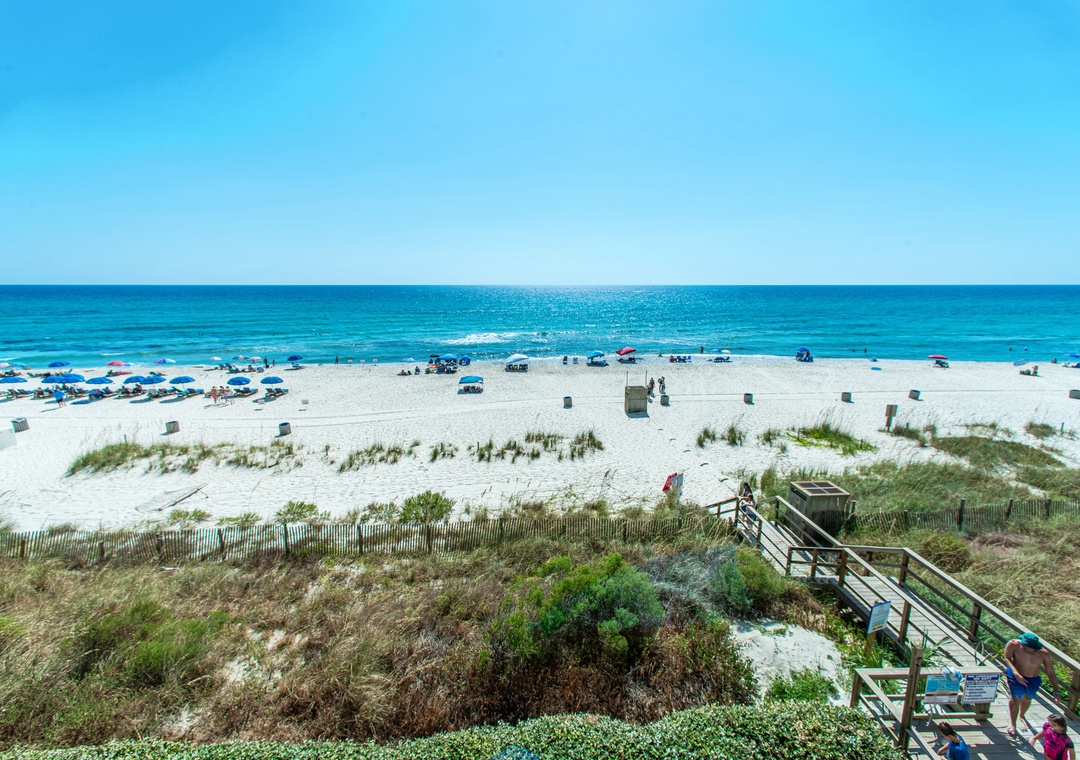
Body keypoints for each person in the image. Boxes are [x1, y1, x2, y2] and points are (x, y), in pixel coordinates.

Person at [1005, 632, 1062, 735]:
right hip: (1015, 675)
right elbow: (1007, 658)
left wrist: (1056, 691)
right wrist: (1016, 673)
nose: (1030, 650)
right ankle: (1013, 724)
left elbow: (1051, 672)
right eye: (1028, 647)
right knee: (1016, 699)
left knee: (1027, 698)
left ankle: (1022, 715)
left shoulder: (1043, 653)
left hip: (1033, 678)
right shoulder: (1013, 645)